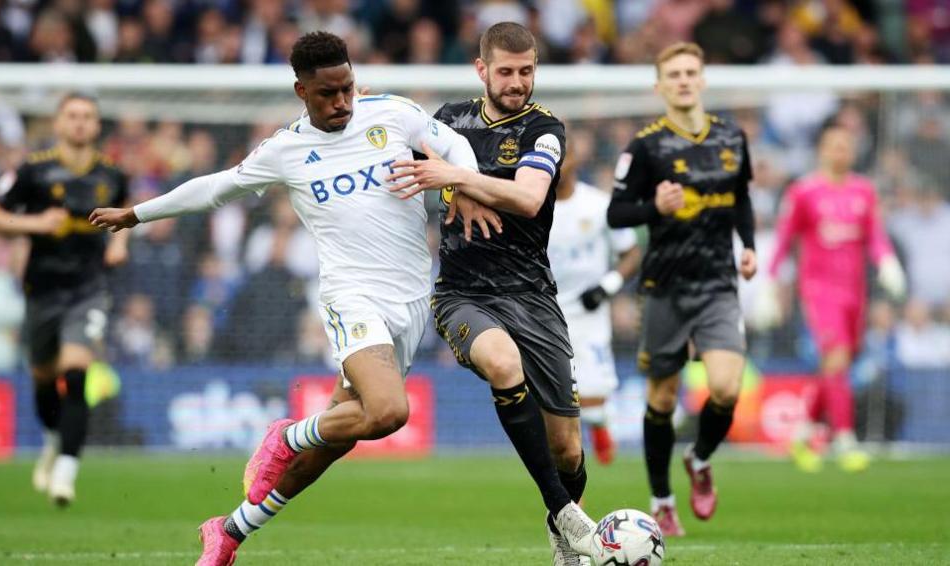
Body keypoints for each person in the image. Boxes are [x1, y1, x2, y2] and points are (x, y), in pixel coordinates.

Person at [90, 31, 549, 566]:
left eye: (348, 89)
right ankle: (287, 435)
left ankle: (230, 531)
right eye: (328, 94)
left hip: (409, 302)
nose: (342, 103)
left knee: (338, 438)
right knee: (386, 412)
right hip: (351, 297)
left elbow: (456, 147)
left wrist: (462, 185)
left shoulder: (393, 114)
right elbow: (215, 187)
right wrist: (137, 213)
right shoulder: (287, 150)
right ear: (300, 91)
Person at [383, 21, 598, 564]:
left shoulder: (545, 129)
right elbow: (398, 158)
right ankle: (566, 514)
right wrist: (456, 185)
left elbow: (528, 199)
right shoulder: (447, 120)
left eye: (526, 71)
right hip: (462, 295)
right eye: (505, 71)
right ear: (482, 70)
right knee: (503, 365)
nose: (517, 82)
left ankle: (560, 522)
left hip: (532, 296)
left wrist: (457, 179)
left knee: (568, 449)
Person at [605, 42, 757, 536]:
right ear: (660, 86)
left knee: (727, 387)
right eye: (674, 74)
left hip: (717, 283)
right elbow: (617, 213)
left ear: (703, 79)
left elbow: (741, 200)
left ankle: (700, 456)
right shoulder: (645, 146)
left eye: (692, 71)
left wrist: (749, 245)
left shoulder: (732, 136)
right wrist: (655, 208)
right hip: (665, 286)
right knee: (663, 400)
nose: (684, 80)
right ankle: (662, 499)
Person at [0, 92, 130, 506]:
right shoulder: (32, 170)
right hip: (42, 290)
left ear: (96, 126)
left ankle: (66, 471)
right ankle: (53, 440)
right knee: (44, 379)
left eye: (87, 117)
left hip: (89, 289)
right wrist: (35, 222)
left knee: (77, 369)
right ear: (59, 124)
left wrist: (120, 242)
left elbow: (126, 211)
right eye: (72, 116)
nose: (80, 123)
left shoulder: (111, 173)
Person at [764, 123, 905, 473]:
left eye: (846, 146)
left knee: (835, 367)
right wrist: (770, 283)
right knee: (837, 358)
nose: (841, 152)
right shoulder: (804, 192)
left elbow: (875, 235)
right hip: (819, 291)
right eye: (834, 146)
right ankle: (843, 438)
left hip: (854, 293)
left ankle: (801, 431)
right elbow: (783, 240)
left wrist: (887, 261)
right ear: (822, 150)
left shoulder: (863, 191)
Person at [547, 141, 641, 466]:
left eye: (564, 157)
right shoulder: (530, 207)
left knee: (594, 396)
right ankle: (569, 464)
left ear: (576, 159)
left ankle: (600, 424)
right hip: (545, 314)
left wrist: (606, 287)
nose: (558, 165)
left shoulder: (600, 205)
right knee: (555, 398)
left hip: (589, 313)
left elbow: (631, 253)